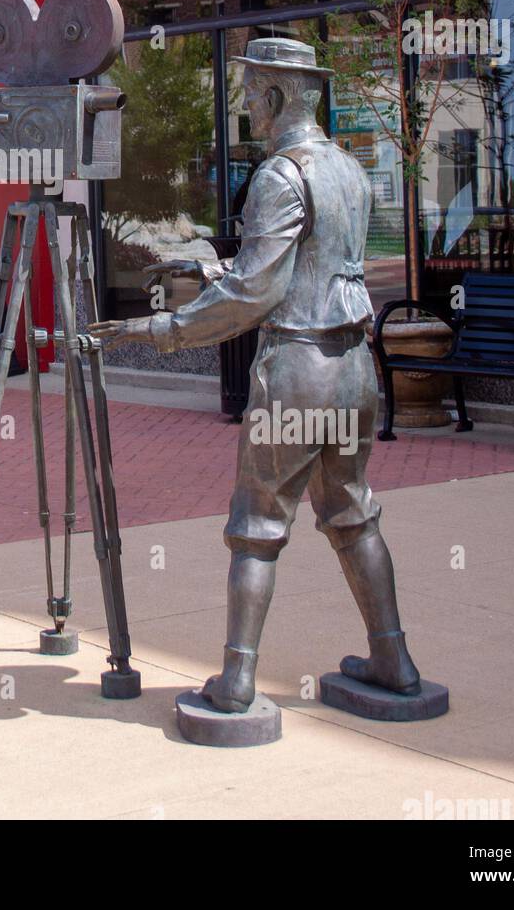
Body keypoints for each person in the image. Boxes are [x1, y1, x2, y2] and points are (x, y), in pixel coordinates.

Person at [93, 37, 423, 713]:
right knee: (352, 514)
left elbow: (254, 296)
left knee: (257, 525)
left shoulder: (279, 174)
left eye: (249, 92)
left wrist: (156, 330)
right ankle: (392, 658)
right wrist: (218, 272)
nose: (244, 106)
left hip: (297, 367)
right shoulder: (347, 169)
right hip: (356, 368)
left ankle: (237, 681)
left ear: (274, 96)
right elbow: (306, 269)